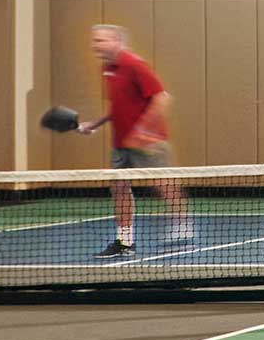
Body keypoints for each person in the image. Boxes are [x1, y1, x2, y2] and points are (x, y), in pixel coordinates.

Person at [80, 24, 192, 257]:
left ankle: (183, 228)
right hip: (120, 143)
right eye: (94, 41)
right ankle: (125, 241)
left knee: (164, 186)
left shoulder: (134, 64)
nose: (95, 45)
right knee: (119, 188)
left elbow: (161, 98)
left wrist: (142, 131)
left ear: (116, 41)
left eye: (100, 40)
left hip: (150, 141)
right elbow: (116, 106)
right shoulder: (107, 69)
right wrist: (94, 124)